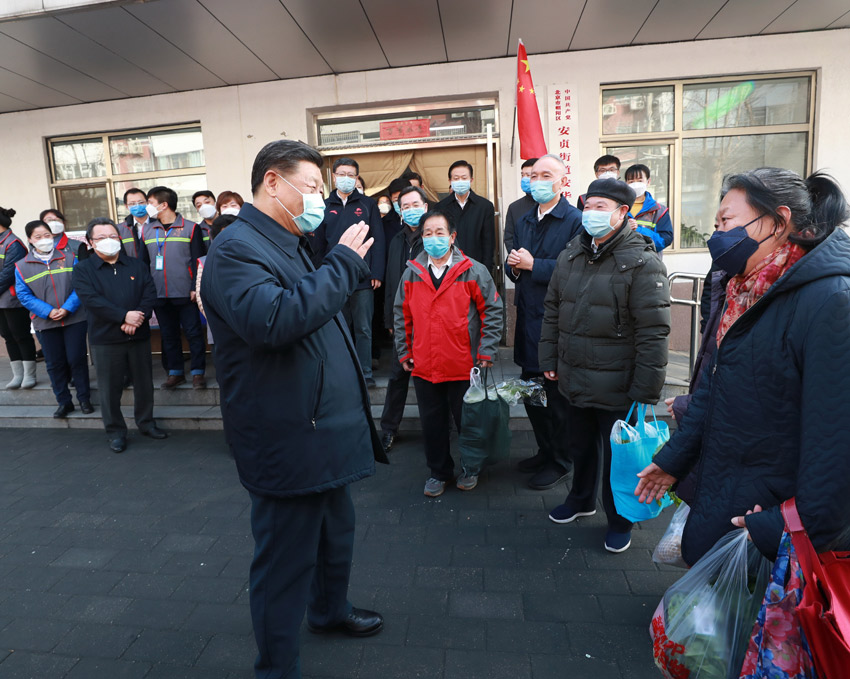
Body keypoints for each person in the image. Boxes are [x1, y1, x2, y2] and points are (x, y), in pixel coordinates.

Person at [200, 139, 386, 679]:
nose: (320, 200)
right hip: (285, 435)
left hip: (321, 428)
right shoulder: (237, 248)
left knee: (335, 533)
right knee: (284, 561)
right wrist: (345, 263)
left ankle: (329, 610)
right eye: (310, 187)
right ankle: (276, 667)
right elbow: (276, 321)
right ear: (272, 183)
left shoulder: (289, 240)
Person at [636, 168, 850, 568]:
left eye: (727, 221)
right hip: (729, 491)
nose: (716, 234)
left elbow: (836, 446)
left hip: (772, 525)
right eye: (715, 223)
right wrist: (673, 460)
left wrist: (780, 528)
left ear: (778, 222)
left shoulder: (831, 301)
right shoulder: (743, 288)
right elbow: (713, 387)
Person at [539, 178, 670, 554]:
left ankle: (619, 519)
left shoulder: (642, 261)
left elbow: (653, 331)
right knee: (579, 446)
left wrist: (646, 390)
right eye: (588, 205)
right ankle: (581, 499)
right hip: (574, 374)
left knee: (619, 456)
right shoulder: (571, 255)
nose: (591, 213)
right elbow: (553, 310)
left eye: (600, 207)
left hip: (619, 383)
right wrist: (549, 358)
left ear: (622, 213)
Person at [394, 208, 503, 496]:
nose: (433, 238)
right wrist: (404, 352)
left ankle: (470, 468)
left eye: (439, 232)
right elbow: (401, 314)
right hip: (425, 364)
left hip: (464, 363)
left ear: (452, 237)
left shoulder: (473, 270)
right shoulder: (411, 273)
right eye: (427, 233)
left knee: (468, 422)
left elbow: (492, 310)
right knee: (433, 424)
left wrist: (486, 351)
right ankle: (438, 472)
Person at [507, 155, 583, 491]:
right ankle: (544, 449)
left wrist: (532, 264)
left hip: (556, 324)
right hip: (527, 320)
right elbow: (518, 267)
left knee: (556, 400)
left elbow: (576, 272)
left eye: (546, 174)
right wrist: (514, 266)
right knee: (531, 392)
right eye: (533, 175)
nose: (537, 180)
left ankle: (561, 460)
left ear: (561, 181)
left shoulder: (575, 221)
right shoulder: (524, 219)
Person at [72, 218, 166, 453]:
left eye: (113, 236)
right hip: (106, 338)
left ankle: (146, 423)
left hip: (139, 334)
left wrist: (138, 317)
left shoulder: (136, 265)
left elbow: (149, 293)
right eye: (101, 238)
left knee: (144, 384)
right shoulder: (83, 269)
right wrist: (124, 317)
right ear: (91, 243)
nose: (108, 241)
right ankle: (115, 432)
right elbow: (91, 301)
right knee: (109, 388)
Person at [313, 157, 385, 387]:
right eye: (342, 174)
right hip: (333, 278)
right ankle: (342, 373)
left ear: (356, 178)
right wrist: (319, 274)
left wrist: (377, 273)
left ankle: (365, 373)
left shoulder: (367, 204)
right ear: (333, 177)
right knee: (337, 329)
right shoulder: (323, 206)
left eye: (351, 175)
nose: (346, 179)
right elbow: (318, 246)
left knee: (363, 328)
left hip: (363, 278)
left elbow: (378, 240)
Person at [15, 220, 92, 418]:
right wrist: (48, 311)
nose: (44, 240)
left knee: (77, 359)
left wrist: (67, 308)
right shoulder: (22, 266)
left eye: (47, 235)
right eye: (38, 237)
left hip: (74, 318)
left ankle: (84, 398)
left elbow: (80, 285)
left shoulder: (69, 257)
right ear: (30, 240)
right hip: (45, 322)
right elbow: (24, 295)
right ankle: (64, 402)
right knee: (55, 363)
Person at [141, 186, 208, 390]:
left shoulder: (190, 228)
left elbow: (199, 260)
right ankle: (175, 372)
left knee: (193, 333)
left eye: (150, 203)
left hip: (185, 293)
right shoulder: (147, 230)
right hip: (159, 294)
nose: (147, 207)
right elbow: (143, 263)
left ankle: (198, 372)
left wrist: (194, 287)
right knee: (168, 335)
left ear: (164, 204)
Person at [379, 185, 426, 452]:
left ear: (425, 206)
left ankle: (441, 428)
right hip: (402, 322)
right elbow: (390, 284)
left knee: (428, 379)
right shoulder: (396, 240)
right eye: (404, 206)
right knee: (398, 377)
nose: (409, 210)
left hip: (428, 321)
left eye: (414, 205)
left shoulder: (433, 238)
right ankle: (388, 430)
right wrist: (389, 318)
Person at [0, 206, 37, 389]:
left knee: (20, 335)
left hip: (12, 300)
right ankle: (17, 375)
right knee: (7, 336)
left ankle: (29, 374)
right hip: (1, 300)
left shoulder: (13, 243)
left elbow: (7, 274)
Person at [437, 161, 496, 273]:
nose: (460, 181)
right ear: (450, 181)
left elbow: (488, 243)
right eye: (456, 178)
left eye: (464, 178)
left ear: (471, 180)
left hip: (476, 268)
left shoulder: (484, 206)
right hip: (449, 270)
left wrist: (487, 271)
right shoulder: (440, 207)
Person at [196, 214, 238, 356]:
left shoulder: (252, 258)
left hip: (246, 327)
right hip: (218, 326)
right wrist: (217, 318)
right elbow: (201, 298)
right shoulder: (205, 262)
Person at [624, 164, 673, 252]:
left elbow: (665, 241)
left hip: (648, 263)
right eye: (631, 181)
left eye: (639, 180)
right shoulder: (618, 208)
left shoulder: (659, 211)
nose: (635, 184)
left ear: (648, 181)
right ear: (626, 183)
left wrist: (638, 230)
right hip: (620, 261)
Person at [503, 157, 538, 254]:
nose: (524, 179)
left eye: (528, 175)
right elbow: (509, 238)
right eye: (522, 175)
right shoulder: (514, 207)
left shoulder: (547, 205)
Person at [119, 188, 148, 257]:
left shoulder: (158, 225)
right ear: (126, 206)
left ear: (147, 202)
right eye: (132, 204)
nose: (137, 206)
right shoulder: (120, 230)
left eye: (141, 202)